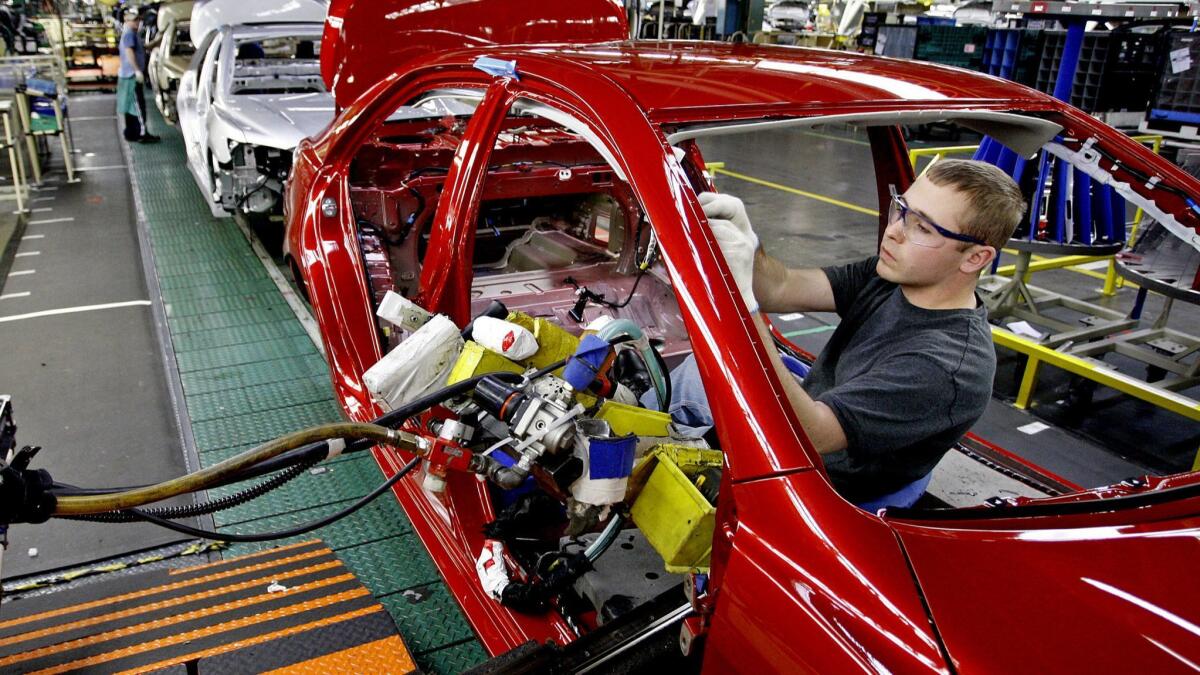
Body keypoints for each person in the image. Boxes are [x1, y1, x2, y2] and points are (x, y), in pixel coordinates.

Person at [660, 159, 1025, 510]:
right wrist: (748, 242)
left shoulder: (947, 368)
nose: (894, 231)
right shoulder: (894, 277)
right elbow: (782, 287)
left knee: (654, 441)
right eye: (902, 209)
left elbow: (812, 435)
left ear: (975, 258)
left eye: (923, 228)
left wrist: (745, 307)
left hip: (823, 483)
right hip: (814, 415)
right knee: (694, 371)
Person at [117, 6, 159, 143]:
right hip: (131, 76)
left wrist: (157, 41)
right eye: (134, 20)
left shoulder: (131, 33)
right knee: (138, 106)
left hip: (126, 75)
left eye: (138, 20)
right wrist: (137, 70)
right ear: (126, 20)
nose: (137, 23)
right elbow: (129, 52)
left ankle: (131, 133)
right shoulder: (129, 33)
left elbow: (143, 48)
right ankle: (141, 133)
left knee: (130, 106)